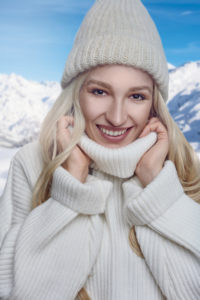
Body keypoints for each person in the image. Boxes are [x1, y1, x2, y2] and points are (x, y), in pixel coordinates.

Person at [0, 0, 200, 299]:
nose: (117, 117)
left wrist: (158, 188)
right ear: (75, 93)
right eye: (99, 92)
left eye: (136, 96)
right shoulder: (33, 163)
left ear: (154, 103)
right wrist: (71, 192)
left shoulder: (183, 169)